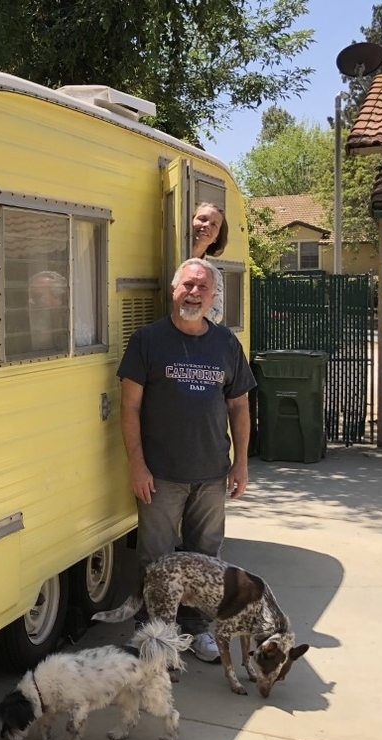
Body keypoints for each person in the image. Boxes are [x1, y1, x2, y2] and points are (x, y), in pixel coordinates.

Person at [116, 257, 256, 662]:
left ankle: (197, 631)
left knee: (206, 561)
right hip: (160, 475)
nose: (194, 293)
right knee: (154, 561)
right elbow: (129, 408)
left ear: (213, 297)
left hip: (212, 473)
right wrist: (137, 465)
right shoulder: (147, 340)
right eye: (188, 286)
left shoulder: (226, 343)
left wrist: (241, 462)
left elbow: (240, 407)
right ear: (174, 289)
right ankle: (153, 636)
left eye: (203, 288)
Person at [189, 203, 228, 324]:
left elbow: (217, 316)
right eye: (202, 219)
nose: (206, 225)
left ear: (216, 237)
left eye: (214, 224)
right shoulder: (169, 256)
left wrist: (191, 304)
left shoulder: (213, 275)